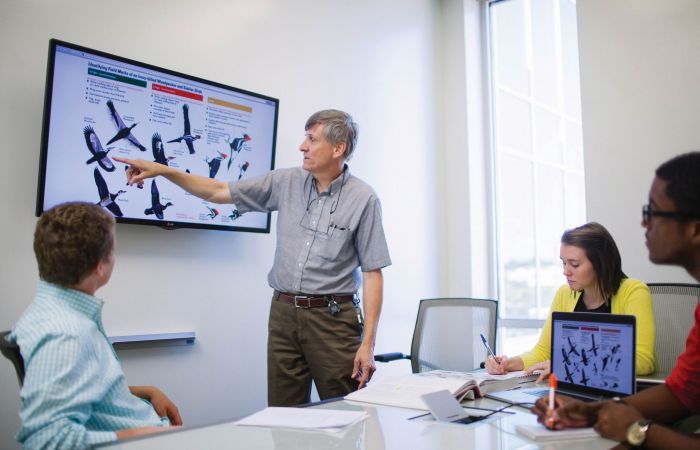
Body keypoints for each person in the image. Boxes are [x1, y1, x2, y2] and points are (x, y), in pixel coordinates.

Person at [115, 109, 391, 406]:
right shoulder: (285, 182)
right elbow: (219, 191)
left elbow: (373, 272)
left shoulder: (364, 198)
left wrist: (368, 344)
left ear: (339, 149)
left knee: (344, 412)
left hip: (333, 320)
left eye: (311, 139)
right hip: (283, 314)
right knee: (283, 414)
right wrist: (164, 171)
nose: (302, 146)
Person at [533, 151, 700, 449]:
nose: (642, 223)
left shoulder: (632, 290)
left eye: (652, 212)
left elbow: (649, 366)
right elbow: (682, 393)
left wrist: (637, 431)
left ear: (694, 228)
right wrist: (590, 412)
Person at [8, 202, 182, 449]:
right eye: (113, 250)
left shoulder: (56, 310)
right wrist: (144, 437)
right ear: (100, 266)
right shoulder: (66, 333)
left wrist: (145, 391)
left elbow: (83, 390)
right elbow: (45, 441)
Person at [486, 222, 656, 381]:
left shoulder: (633, 291)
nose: (565, 271)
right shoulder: (565, 293)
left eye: (574, 264)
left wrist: (564, 365)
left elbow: (642, 361)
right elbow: (544, 351)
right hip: (572, 387)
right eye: (564, 263)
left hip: (615, 394)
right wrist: (508, 364)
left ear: (600, 263)